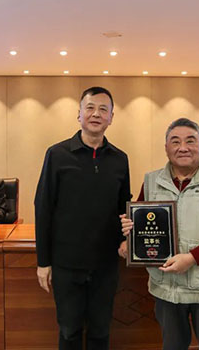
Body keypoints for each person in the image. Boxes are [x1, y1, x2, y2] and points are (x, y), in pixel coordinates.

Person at [120, 118, 199, 350]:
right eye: (175, 141)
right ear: (166, 148)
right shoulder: (151, 181)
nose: (182, 147)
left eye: (190, 141)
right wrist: (129, 235)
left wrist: (192, 258)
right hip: (166, 287)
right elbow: (141, 223)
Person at [34, 86, 131, 350]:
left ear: (111, 117)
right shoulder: (57, 154)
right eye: (90, 108)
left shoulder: (120, 159)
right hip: (66, 264)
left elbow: (124, 207)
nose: (96, 114)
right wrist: (43, 261)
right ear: (79, 114)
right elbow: (43, 207)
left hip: (105, 264)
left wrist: (126, 240)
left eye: (103, 109)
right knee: (69, 332)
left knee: (101, 332)